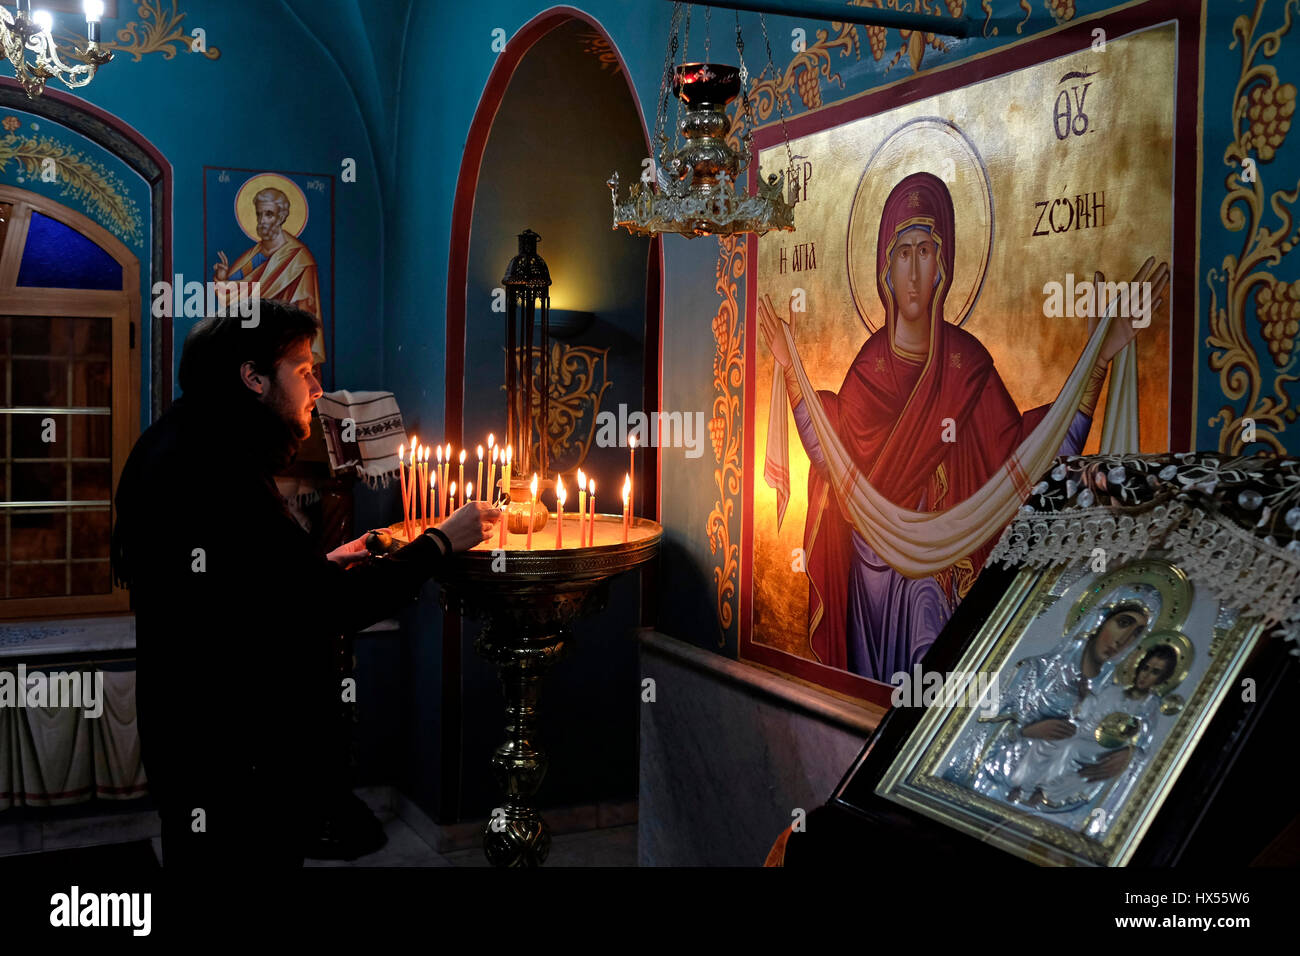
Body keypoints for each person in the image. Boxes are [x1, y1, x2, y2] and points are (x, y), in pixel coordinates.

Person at [110, 300, 499, 868]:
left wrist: (317, 565)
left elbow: (253, 591)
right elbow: (323, 608)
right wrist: (441, 542)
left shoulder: (184, 440)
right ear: (252, 377)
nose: (317, 386)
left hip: (197, 741)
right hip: (233, 757)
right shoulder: (213, 469)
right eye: (303, 368)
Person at [757, 172, 1165, 681]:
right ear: (886, 268)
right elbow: (834, 458)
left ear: (941, 267)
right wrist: (792, 373)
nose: (912, 270)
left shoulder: (967, 366)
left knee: (934, 684)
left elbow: (1026, 457)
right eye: (902, 252)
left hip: (944, 577)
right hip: (873, 588)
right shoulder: (869, 367)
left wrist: (1097, 362)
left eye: (924, 251)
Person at [941, 584, 1159, 803]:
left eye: (1137, 634)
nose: (1123, 640)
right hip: (994, 787)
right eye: (1123, 624)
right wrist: (1026, 731)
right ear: (1100, 621)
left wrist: (1128, 756)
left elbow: (1126, 743)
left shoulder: (1113, 692)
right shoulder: (1035, 671)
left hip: (1055, 803)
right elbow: (979, 730)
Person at [214, 187, 325, 364]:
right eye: (259, 215)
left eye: (269, 214)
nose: (262, 220)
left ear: (281, 217)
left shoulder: (299, 258)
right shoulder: (257, 254)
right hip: (252, 341)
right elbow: (234, 295)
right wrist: (222, 279)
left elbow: (307, 312)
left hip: (284, 347)